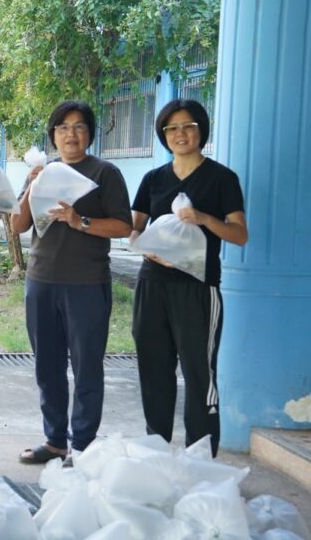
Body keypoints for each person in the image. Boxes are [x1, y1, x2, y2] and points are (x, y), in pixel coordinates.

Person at [11, 100, 132, 464]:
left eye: (79, 126)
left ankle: (82, 446)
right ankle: (55, 442)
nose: (71, 134)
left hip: (86, 284)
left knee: (86, 367)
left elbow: (123, 226)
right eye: (63, 127)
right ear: (53, 135)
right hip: (41, 281)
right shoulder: (43, 173)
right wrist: (32, 186)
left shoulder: (105, 173)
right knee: (47, 367)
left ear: (89, 134)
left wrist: (81, 221)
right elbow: (18, 225)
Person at [130, 99, 247, 457]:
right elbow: (133, 231)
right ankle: (157, 451)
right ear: (163, 134)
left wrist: (204, 219)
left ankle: (200, 457)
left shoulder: (222, 178)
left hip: (197, 289)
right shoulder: (153, 179)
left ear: (201, 131)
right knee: (154, 368)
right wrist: (146, 249)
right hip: (152, 285)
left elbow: (239, 234)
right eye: (172, 128)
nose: (180, 134)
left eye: (189, 126)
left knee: (199, 373)